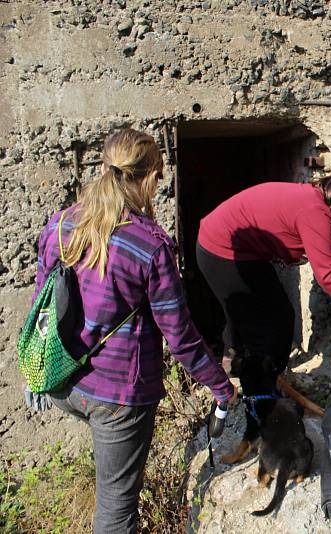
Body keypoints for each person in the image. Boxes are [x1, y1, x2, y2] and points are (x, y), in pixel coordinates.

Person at [28, 128, 236, 533]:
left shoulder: (59, 227)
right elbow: (181, 337)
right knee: (116, 513)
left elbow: (43, 307)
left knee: (110, 493)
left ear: (103, 168)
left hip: (63, 384)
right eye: (158, 178)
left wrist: (35, 373)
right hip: (117, 399)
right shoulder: (150, 246)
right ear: (150, 177)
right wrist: (221, 387)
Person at [196, 167, 331, 460]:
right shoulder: (316, 213)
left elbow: (329, 265)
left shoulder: (311, 201)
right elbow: (328, 276)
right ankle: (262, 405)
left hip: (226, 243)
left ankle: (244, 373)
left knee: (262, 317)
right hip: (223, 249)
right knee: (271, 325)